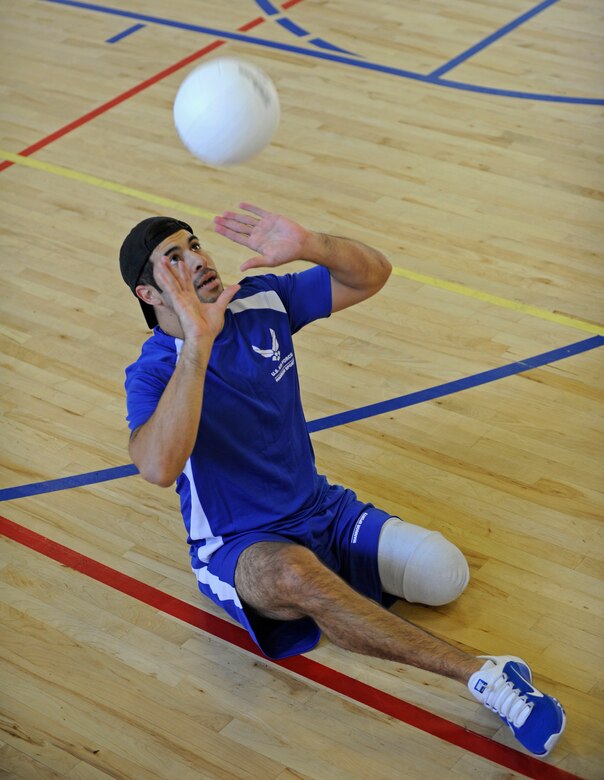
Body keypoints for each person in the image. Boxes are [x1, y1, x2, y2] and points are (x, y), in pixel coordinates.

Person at [119, 203, 565, 757]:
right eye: (174, 260)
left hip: (323, 510)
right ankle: (483, 676)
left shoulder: (262, 300)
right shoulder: (155, 369)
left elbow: (372, 273)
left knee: (444, 574)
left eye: (195, 246)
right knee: (295, 576)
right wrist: (198, 346)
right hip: (241, 548)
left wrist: (311, 244)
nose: (197, 260)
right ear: (150, 294)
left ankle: (339, 598)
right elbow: (157, 467)